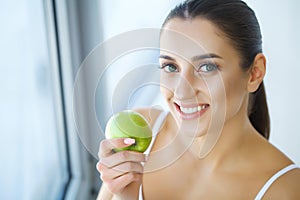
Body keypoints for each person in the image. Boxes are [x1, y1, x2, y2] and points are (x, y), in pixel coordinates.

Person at [96, 0, 300, 199]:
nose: (182, 92)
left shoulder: (286, 189)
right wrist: (125, 194)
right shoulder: (142, 132)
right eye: (170, 67)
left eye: (207, 67)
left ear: (255, 73)